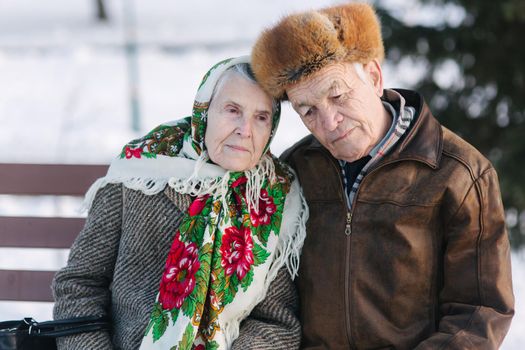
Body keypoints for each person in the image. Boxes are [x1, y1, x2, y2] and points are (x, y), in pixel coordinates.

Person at [249, 3, 514, 349]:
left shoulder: (460, 173)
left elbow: (480, 312)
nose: (329, 123)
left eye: (338, 95)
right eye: (309, 111)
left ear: (373, 77)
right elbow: (272, 299)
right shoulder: (294, 170)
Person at [52, 56, 307, 350]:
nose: (245, 130)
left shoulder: (275, 196)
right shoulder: (141, 171)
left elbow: (275, 320)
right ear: (204, 111)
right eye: (232, 110)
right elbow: (79, 286)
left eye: (261, 117)